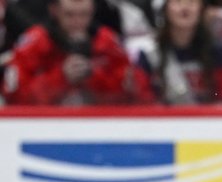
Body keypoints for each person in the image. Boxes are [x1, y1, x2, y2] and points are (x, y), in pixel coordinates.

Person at [3, 0, 134, 104]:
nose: (77, 22)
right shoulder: (34, 44)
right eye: (69, 15)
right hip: (46, 125)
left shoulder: (108, 43)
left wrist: (93, 76)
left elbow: (132, 95)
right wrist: (60, 77)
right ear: (54, 10)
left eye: (84, 14)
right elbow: (15, 97)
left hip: (100, 124)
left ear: (93, 10)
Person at [128, 0, 222, 104]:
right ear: (164, 9)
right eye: (177, 1)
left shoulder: (219, 53)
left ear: (202, 9)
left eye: (192, 2)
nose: (185, 7)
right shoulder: (148, 55)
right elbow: (143, 104)